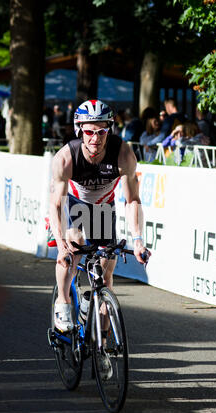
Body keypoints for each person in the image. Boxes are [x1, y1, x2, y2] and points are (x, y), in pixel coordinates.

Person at [49, 99, 150, 339]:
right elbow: (55, 204)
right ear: (79, 131)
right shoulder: (66, 158)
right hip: (73, 203)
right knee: (73, 246)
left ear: (110, 129)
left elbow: (132, 200)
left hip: (102, 208)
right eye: (89, 132)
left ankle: (103, 346)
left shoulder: (122, 153)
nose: (96, 138)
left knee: (106, 276)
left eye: (102, 131)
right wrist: (61, 244)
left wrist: (137, 240)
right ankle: (63, 303)